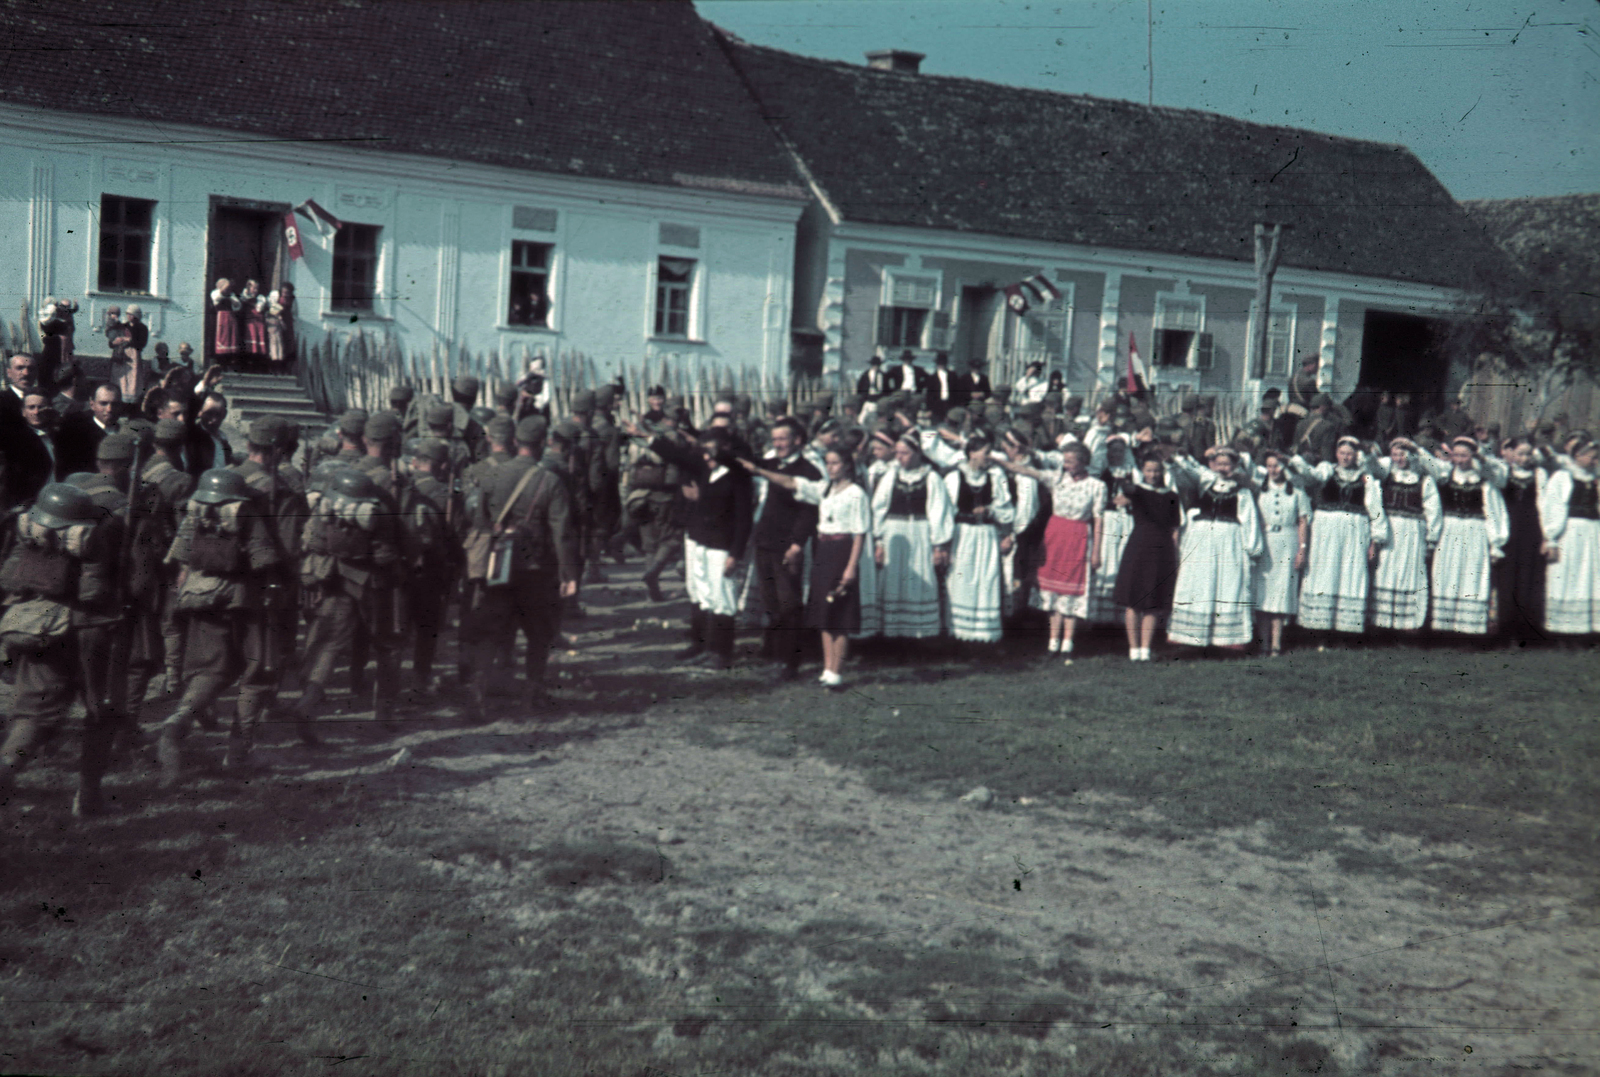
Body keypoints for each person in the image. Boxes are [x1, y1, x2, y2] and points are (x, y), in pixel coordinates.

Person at [156, 464, 285, 786]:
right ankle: (237, 756)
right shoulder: (246, 512)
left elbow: (179, 560)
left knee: (209, 672)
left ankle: (176, 722)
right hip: (246, 604)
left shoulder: (195, 511)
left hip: (202, 599)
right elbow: (265, 561)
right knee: (256, 676)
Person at [0, 482, 124, 814]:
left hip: (42, 626)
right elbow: (92, 594)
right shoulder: (101, 532)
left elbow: (10, 579)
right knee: (100, 712)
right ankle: (88, 795)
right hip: (91, 633)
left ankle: (6, 768)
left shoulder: (31, 530)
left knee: (33, 712)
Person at [743, 445, 872, 687]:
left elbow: (859, 533)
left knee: (840, 612)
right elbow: (792, 483)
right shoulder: (824, 489)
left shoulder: (857, 493)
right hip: (823, 550)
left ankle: (837, 672)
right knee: (824, 611)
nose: (831, 468)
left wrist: (851, 567)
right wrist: (760, 471)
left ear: (847, 465)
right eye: (829, 464)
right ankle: (827, 669)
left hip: (842, 551)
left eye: (835, 463)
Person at [634, 423, 752, 671]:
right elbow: (678, 456)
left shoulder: (738, 476)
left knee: (723, 597)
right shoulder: (706, 468)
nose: (706, 456)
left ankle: (721, 652)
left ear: (726, 449)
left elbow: (743, 520)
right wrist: (650, 438)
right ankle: (703, 645)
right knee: (702, 594)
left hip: (722, 545)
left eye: (711, 451)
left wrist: (735, 554)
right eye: (704, 451)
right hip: (700, 540)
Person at [294, 467, 404, 734]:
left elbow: (314, 543)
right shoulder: (379, 510)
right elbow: (384, 556)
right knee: (388, 645)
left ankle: (308, 702)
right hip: (372, 586)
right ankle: (384, 712)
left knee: (329, 644)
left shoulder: (328, 505)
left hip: (334, 578)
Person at [1000, 443, 1104, 661]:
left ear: (1083, 461)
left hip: (1078, 537)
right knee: (1053, 593)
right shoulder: (1056, 478)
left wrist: (1096, 552)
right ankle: (1052, 643)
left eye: (1070, 461)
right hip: (1055, 536)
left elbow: (1098, 520)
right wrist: (997, 460)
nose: (1066, 465)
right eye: (1064, 461)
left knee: (1071, 592)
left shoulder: (1096, 486)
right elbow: (1027, 471)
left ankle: (1068, 644)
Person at [1164, 446, 1263, 651]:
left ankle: (1226, 639)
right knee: (1199, 584)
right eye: (1219, 464)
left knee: (1227, 585)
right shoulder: (1207, 482)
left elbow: (1249, 520)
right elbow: (1191, 470)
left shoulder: (1242, 492)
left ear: (1235, 466)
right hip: (1202, 541)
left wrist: (1252, 549)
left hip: (1229, 542)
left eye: (1227, 464)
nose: (1223, 468)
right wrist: (1177, 456)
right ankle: (1192, 637)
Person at [1291, 436, 1389, 641]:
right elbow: (1311, 475)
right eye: (1342, 453)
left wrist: (1376, 539)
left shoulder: (1366, 478)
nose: (1346, 457)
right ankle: (1318, 627)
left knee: (1350, 571)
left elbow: (1375, 509)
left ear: (1356, 455)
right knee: (1325, 571)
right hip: (1326, 531)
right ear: (1336, 454)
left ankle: (1345, 631)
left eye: (1350, 453)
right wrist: (1297, 459)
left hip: (1355, 532)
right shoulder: (1327, 470)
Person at [750, 417, 822, 680]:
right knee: (770, 602)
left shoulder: (809, 470)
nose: (778, 443)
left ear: (798, 441)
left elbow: (809, 513)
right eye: (775, 439)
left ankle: (790, 662)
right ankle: (775, 653)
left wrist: (796, 544)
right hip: (764, 541)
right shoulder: (769, 464)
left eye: (783, 438)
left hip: (787, 545)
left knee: (789, 602)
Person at [871, 434, 954, 643]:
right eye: (897, 453)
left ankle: (919, 633)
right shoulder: (890, 476)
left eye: (905, 453)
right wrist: (879, 541)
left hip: (920, 534)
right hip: (895, 536)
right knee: (893, 579)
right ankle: (892, 633)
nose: (900, 457)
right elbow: (878, 509)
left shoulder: (931, 478)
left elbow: (938, 511)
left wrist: (938, 545)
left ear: (918, 453)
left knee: (920, 577)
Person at [1429, 438, 1509, 635]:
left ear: (1473, 456)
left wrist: (1495, 543)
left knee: (1471, 574)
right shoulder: (1446, 478)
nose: (1460, 460)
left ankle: (1468, 628)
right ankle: (1444, 627)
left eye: (1464, 455)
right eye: (1456, 455)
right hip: (1449, 532)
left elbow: (1494, 512)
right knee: (1447, 574)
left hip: (1475, 533)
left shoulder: (1484, 483)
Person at [942, 435, 1015, 643]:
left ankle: (983, 634)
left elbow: (1005, 510)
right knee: (961, 579)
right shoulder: (954, 478)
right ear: (971, 453)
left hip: (986, 536)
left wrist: (993, 514)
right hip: (962, 535)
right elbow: (946, 512)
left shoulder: (994, 477)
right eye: (986, 452)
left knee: (986, 579)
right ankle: (958, 633)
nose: (989, 457)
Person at [1110, 450, 1182, 661]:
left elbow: (1175, 527)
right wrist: (1124, 480)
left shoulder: (1171, 496)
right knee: (1134, 599)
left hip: (1162, 549)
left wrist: (1175, 552)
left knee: (1153, 601)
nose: (1153, 474)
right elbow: (1126, 489)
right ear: (1142, 471)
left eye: (1156, 471)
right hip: (1139, 546)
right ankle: (1133, 649)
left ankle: (1145, 649)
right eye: (1149, 470)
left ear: (1163, 472)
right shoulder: (1138, 491)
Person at [1365, 437, 1441, 633]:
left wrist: (1431, 539)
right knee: (1386, 571)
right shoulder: (1386, 476)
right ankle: (1383, 623)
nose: (1399, 458)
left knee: (1410, 572)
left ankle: (1408, 624)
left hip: (1413, 533)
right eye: (1395, 454)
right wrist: (1368, 451)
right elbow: (1371, 465)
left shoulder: (1425, 480)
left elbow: (1433, 511)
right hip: (1390, 531)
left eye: (1403, 454)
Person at [1539, 435, 1599, 638]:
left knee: (1591, 576)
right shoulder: (1563, 477)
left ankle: (1588, 628)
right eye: (1591, 457)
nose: (1595, 461)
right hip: (1571, 533)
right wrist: (1552, 538)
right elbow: (1553, 507)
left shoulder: (1596, 478)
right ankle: (1563, 630)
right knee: (1569, 574)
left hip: (1594, 533)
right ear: (1577, 456)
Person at [1496, 436, 1546, 642]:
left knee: (1528, 579)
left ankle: (1525, 631)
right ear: (1511, 454)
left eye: (1528, 454)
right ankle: (1504, 628)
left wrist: (1545, 536)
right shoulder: (1504, 473)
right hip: (1509, 531)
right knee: (1507, 579)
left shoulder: (1539, 475)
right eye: (1520, 454)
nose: (1525, 458)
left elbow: (1543, 504)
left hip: (1531, 532)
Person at [1086, 433, 1137, 626]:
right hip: (1107, 519)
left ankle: (1118, 615)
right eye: (1113, 450)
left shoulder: (1132, 470)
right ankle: (1100, 615)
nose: (1117, 454)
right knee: (1107, 558)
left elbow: (1139, 492)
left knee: (1122, 558)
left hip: (1126, 520)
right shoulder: (1101, 471)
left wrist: (1131, 499)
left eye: (1120, 450)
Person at [266, 282, 297, 367]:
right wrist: (279, 318)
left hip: (287, 321)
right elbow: (272, 310)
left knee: (287, 343)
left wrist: (288, 322)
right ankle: (274, 365)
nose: (285, 294)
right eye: (284, 292)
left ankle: (284, 366)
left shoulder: (293, 299)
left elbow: (294, 313)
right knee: (275, 343)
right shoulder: (276, 295)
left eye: (287, 293)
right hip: (275, 321)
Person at [210, 279, 241, 363]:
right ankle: (219, 359)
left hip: (230, 318)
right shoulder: (215, 293)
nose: (227, 290)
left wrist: (232, 300)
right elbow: (216, 299)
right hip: (219, 318)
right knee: (220, 338)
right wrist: (223, 292)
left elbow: (237, 305)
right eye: (226, 288)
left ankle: (229, 359)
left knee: (230, 338)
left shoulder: (231, 295)